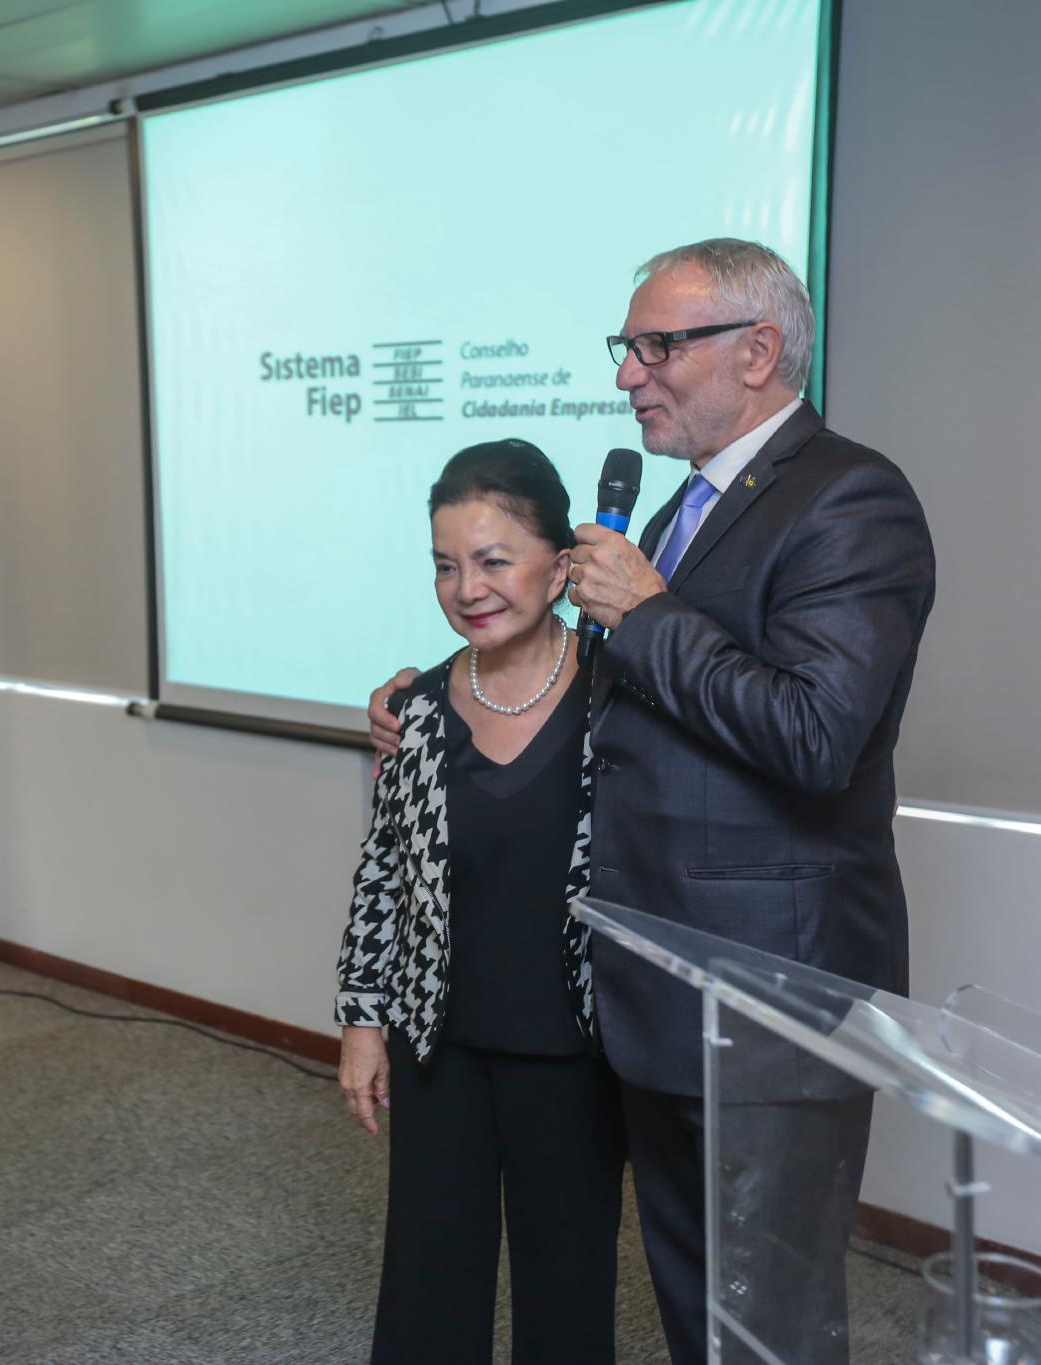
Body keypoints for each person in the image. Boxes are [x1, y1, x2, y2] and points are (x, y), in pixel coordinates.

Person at [368, 239, 937, 1364]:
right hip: (656, 991)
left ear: (758, 351)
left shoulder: (848, 497)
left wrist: (647, 611)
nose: (629, 373)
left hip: (765, 998)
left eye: (658, 346)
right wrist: (425, 697)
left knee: (767, 1322)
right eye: (626, 348)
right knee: (693, 1304)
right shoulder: (690, 509)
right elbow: (624, 717)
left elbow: (816, 736)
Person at [337, 438, 625, 1364]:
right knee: (428, 1286)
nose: (468, 588)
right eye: (446, 565)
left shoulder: (622, 700)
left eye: (494, 560)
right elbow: (383, 872)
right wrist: (363, 1021)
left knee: (566, 1292)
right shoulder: (414, 710)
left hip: (575, 1055)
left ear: (561, 566)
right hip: (439, 1049)